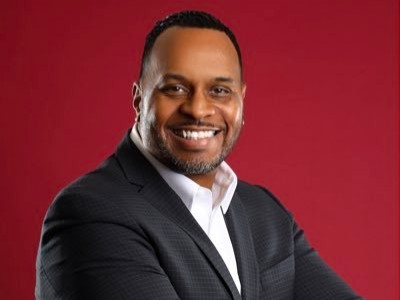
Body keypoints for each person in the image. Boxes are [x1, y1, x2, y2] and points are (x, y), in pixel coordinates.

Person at [35, 10, 362, 300]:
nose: (198, 109)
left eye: (219, 91)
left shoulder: (265, 212)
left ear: (241, 100)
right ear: (138, 99)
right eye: (174, 88)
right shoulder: (90, 213)